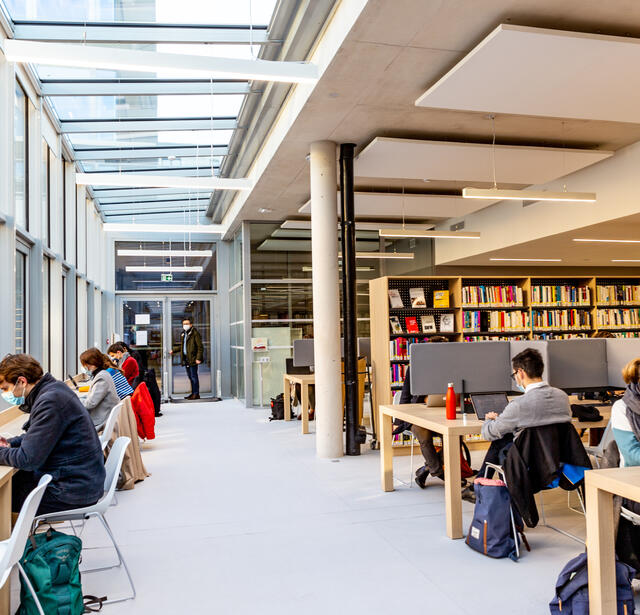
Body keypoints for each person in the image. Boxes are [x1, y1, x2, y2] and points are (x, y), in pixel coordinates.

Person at [462, 347, 572, 502]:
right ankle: (476, 486)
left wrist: (490, 420)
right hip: (558, 460)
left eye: (514, 375)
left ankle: (478, 486)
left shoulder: (519, 404)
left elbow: (488, 433)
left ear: (520, 373)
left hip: (527, 464)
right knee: (503, 440)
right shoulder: (562, 397)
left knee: (499, 439)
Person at [0, 354, 105, 514]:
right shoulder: (55, 389)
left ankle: (19, 538)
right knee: (16, 482)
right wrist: (10, 443)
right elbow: (37, 436)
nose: (6, 395)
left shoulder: (49, 402)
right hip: (81, 479)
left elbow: (28, 459)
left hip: (72, 490)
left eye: (5, 389)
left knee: (4, 499)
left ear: (21, 381)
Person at [397, 336, 449, 488]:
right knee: (423, 435)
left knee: (454, 438)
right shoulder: (415, 368)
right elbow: (405, 395)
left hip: (442, 414)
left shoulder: (450, 368)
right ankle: (439, 471)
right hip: (418, 416)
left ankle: (427, 468)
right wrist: (398, 421)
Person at [79, 348, 121, 429]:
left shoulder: (101, 377)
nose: (84, 367)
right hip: (104, 415)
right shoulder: (103, 374)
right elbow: (91, 396)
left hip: (100, 420)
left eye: (84, 364)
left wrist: (74, 401)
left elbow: (90, 403)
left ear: (90, 364)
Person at [173, 317, 204, 400]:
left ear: (191, 324)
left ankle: (196, 394)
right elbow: (183, 346)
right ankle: (193, 393)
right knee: (190, 377)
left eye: (187, 324)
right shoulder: (184, 334)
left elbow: (200, 347)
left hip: (193, 359)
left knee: (194, 377)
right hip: (187, 359)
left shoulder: (195, 333)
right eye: (184, 324)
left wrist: (198, 358)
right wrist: (173, 350)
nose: (185, 325)